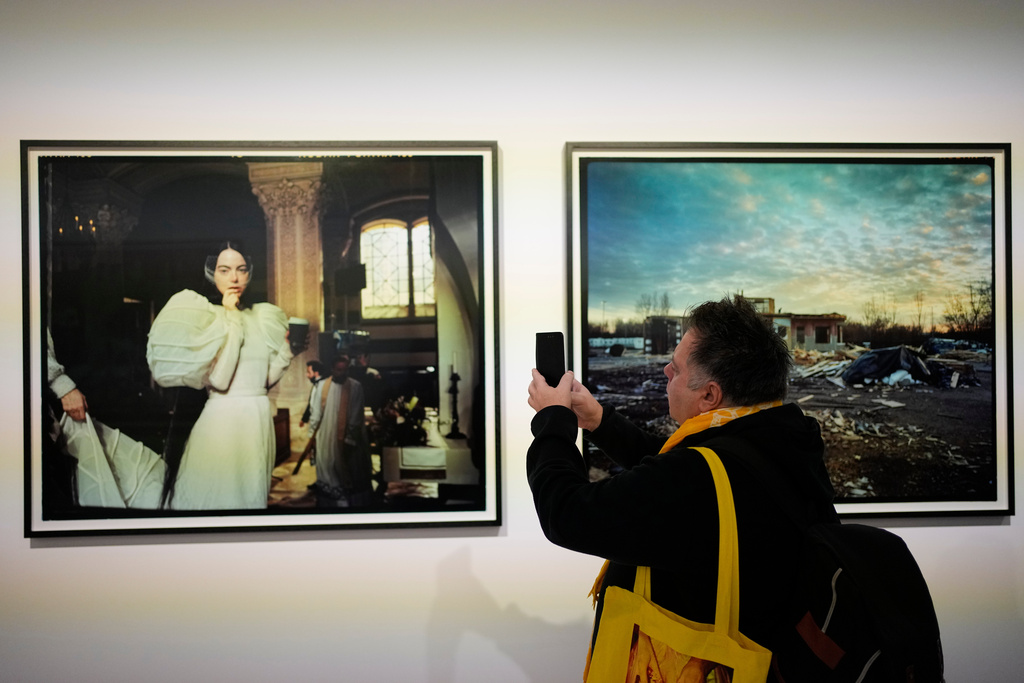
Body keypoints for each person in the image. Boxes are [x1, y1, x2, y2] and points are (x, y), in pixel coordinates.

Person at [526, 296, 839, 673]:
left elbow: (567, 512)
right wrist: (598, 421)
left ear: (709, 395)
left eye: (675, 369)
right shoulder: (774, 442)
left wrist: (552, 420)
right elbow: (675, 477)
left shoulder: (698, 480)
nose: (664, 372)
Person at [147, 241, 294, 510]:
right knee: (218, 502)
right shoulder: (207, 315)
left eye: (240, 269)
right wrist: (232, 318)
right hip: (223, 422)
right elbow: (220, 380)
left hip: (257, 418)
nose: (234, 278)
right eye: (224, 270)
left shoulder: (262, 316)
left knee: (250, 501)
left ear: (250, 272)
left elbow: (262, 382)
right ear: (210, 274)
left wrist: (287, 351)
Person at [308, 352, 372, 508]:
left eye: (344, 370)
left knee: (348, 468)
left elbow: (356, 414)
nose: (341, 373)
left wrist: (350, 437)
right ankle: (329, 500)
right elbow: (315, 412)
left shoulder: (355, 386)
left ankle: (347, 500)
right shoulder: (321, 386)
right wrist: (312, 436)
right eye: (338, 370)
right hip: (326, 434)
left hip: (347, 437)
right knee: (327, 464)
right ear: (332, 369)